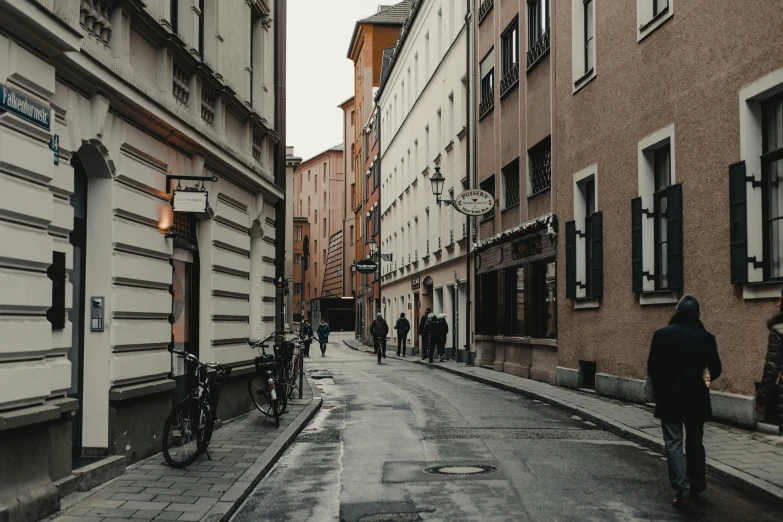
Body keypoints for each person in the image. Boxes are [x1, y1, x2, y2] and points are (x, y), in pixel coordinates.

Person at [647, 294, 722, 510]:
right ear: (697, 315)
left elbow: (653, 366)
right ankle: (697, 482)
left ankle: (682, 492)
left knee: (674, 444)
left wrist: (662, 388)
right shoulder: (707, 338)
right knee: (695, 442)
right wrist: (705, 381)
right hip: (697, 399)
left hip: (670, 398)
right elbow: (715, 369)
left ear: (677, 312)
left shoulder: (661, 335)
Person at [755, 289, 783, 432]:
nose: (778, 304)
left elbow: (772, 367)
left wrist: (761, 397)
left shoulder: (778, 330)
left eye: (781, 299)